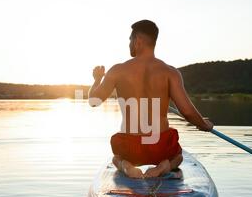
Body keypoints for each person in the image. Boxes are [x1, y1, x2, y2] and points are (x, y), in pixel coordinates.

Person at [88, 20, 213, 179]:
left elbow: (93, 101)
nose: (129, 44)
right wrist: (204, 124)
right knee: (178, 157)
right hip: (159, 146)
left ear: (138, 40)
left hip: (130, 147)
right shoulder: (170, 72)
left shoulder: (117, 70)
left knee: (116, 157)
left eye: (130, 40)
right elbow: (187, 111)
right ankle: (163, 167)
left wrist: (97, 79)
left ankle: (125, 166)